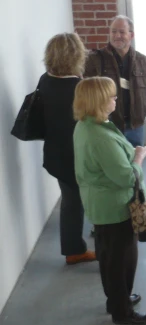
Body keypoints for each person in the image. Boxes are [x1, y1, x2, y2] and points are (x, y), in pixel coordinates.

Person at [73, 77, 146, 325]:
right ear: (98, 101)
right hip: (115, 207)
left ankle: (116, 300)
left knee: (108, 257)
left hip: (100, 205)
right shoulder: (101, 137)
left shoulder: (86, 125)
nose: (116, 99)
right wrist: (138, 158)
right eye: (111, 95)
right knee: (122, 261)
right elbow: (126, 177)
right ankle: (122, 310)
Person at [38, 32, 96, 265]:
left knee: (71, 199)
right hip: (77, 155)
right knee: (83, 200)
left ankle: (74, 246)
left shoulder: (45, 80)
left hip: (55, 153)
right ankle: (76, 249)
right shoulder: (78, 87)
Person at [84, 15, 146, 147]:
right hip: (107, 126)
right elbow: (86, 91)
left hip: (135, 127)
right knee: (112, 165)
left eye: (122, 32)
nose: (117, 35)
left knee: (136, 163)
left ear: (131, 35)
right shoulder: (95, 60)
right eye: (113, 31)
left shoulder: (143, 61)